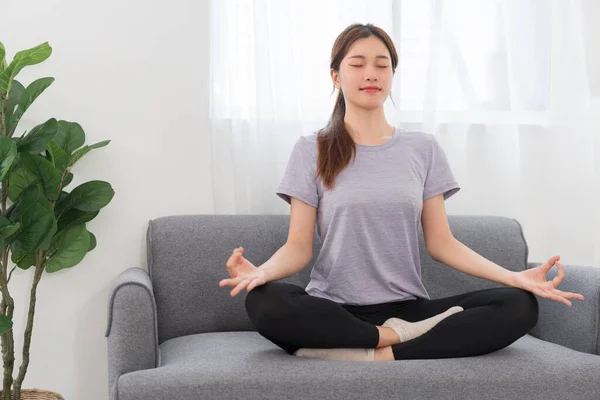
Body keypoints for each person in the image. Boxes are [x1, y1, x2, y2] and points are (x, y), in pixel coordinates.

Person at [218, 23, 585, 362]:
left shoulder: (422, 148)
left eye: (382, 64)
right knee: (265, 302)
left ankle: (373, 351)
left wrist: (514, 276)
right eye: (357, 64)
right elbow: (298, 247)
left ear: (392, 75)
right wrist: (261, 273)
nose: (370, 74)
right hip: (334, 306)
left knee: (518, 305)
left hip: (408, 307)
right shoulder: (311, 149)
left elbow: (442, 243)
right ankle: (388, 337)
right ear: (336, 75)